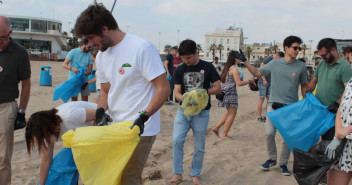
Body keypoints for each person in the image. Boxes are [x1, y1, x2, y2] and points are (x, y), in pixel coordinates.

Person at [73, 4, 170, 185]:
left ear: (104, 29)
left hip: (140, 128)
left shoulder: (141, 48)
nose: (89, 44)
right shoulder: (102, 55)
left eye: (90, 38)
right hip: (114, 126)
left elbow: (164, 89)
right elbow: (105, 89)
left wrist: (143, 116)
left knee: (128, 178)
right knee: (113, 175)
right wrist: (101, 112)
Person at [239, 35, 308, 176]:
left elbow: (304, 87)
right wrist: (245, 61)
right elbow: (257, 73)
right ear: (286, 48)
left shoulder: (301, 66)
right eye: (295, 48)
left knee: (287, 138)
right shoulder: (275, 63)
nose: (297, 50)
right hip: (273, 105)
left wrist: (305, 105)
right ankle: (271, 158)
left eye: (299, 48)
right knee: (269, 133)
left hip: (291, 107)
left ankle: (283, 163)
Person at [169, 39, 221, 185]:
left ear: (196, 53)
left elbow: (218, 87)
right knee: (177, 140)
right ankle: (178, 174)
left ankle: (195, 173)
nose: (186, 61)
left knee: (199, 145)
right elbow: (177, 93)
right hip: (183, 112)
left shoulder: (208, 67)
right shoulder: (180, 69)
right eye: (183, 58)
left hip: (202, 113)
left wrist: (203, 93)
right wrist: (187, 98)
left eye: (189, 58)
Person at [25, 101, 97, 185]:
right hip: (83, 139)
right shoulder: (48, 133)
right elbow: (46, 159)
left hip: (106, 126)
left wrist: (93, 144)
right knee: (65, 164)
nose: (42, 139)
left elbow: (99, 114)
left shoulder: (69, 116)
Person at [0, 15, 31, 185]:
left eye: (2, 37)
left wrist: (22, 111)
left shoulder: (20, 53)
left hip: (6, 107)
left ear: (10, 33)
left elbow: (26, 85)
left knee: (3, 157)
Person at [308, 38, 352, 141]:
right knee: (316, 141)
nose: (322, 58)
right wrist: (307, 92)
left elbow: (349, 92)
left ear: (333, 50)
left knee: (330, 142)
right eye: (321, 55)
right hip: (319, 111)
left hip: (333, 115)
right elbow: (314, 82)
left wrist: (337, 103)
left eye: (324, 55)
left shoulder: (344, 66)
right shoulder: (322, 64)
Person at [212, 51, 254, 139]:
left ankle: (216, 128)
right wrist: (249, 81)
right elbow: (239, 83)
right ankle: (224, 134)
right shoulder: (234, 69)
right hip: (230, 93)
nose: (240, 59)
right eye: (239, 57)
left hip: (224, 93)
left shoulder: (227, 68)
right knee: (232, 114)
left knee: (229, 113)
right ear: (235, 58)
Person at [324, 78, 352, 185]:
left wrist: (349, 129)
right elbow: (341, 108)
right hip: (345, 146)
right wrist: (337, 135)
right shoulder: (351, 82)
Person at [256, 52, 283, 122]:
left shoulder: (275, 61)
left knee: (269, 99)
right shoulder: (269, 58)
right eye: (279, 59)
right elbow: (261, 69)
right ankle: (259, 116)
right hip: (263, 81)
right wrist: (264, 79)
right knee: (261, 99)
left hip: (270, 82)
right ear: (277, 55)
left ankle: (266, 115)